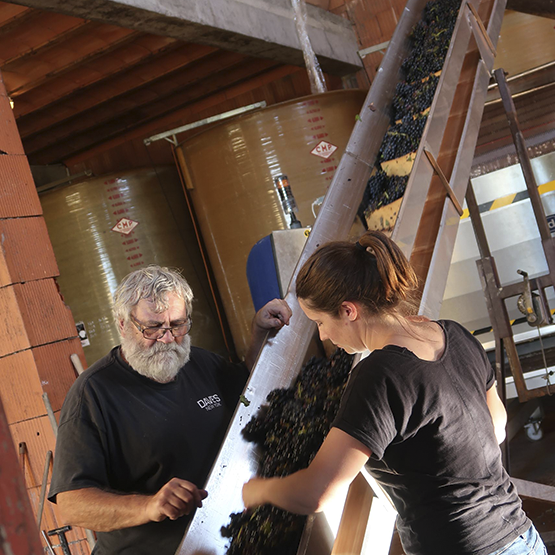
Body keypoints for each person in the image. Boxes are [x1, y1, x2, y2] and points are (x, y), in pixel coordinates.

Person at [243, 230, 546, 555]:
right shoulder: (453, 333)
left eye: (319, 321)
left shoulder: (379, 376)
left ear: (348, 311)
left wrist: (257, 491)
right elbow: (496, 427)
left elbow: (318, 494)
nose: (325, 336)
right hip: (521, 536)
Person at [48, 265, 291, 555]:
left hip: (223, 541)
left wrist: (259, 335)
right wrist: (149, 506)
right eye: (152, 328)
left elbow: (248, 394)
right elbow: (73, 504)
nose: (166, 339)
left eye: (177, 325)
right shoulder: (93, 395)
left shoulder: (201, 363)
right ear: (123, 324)